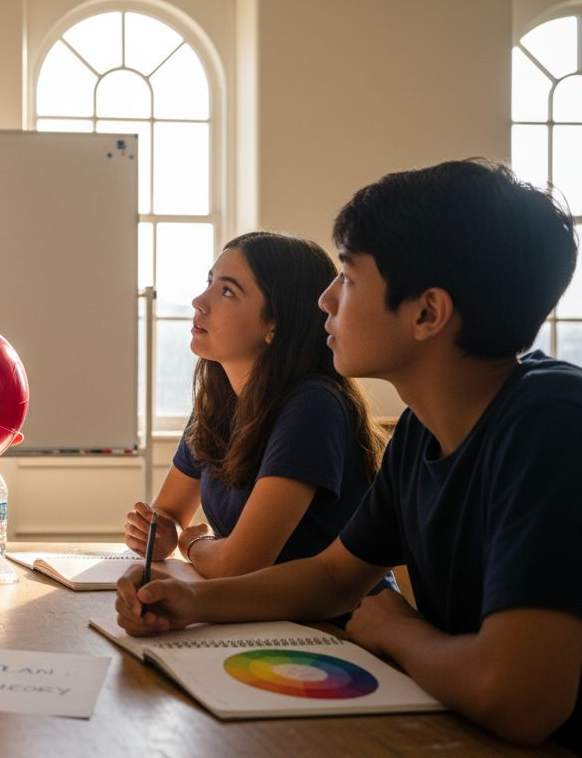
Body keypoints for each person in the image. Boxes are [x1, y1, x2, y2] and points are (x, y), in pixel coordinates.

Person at [115, 160, 581, 749]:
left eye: (349, 278)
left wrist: (397, 630)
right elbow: (335, 575)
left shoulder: (550, 424)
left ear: (426, 313)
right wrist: (190, 599)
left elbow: (517, 699)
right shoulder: (421, 431)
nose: (325, 300)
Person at [124, 232, 385, 579]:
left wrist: (192, 545)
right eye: (209, 283)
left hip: (329, 625)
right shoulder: (217, 403)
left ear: (275, 324)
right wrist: (158, 535)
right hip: (259, 618)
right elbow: (168, 514)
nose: (199, 301)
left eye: (227, 291)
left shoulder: (312, 407)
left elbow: (240, 565)